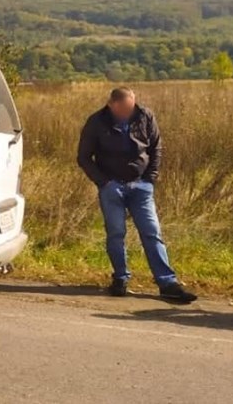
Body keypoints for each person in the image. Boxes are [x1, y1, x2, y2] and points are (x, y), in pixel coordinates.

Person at [77, 87, 197, 303]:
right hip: (111, 187)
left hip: (141, 186)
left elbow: (156, 147)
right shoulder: (96, 121)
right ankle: (120, 279)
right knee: (116, 233)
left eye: (130, 108)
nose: (127, 113)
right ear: (112, 105)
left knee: (152, 232)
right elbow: (84, 157)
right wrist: (104, 183)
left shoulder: (145, 116)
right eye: (123, 110)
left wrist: (150, 178)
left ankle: (167, 283)